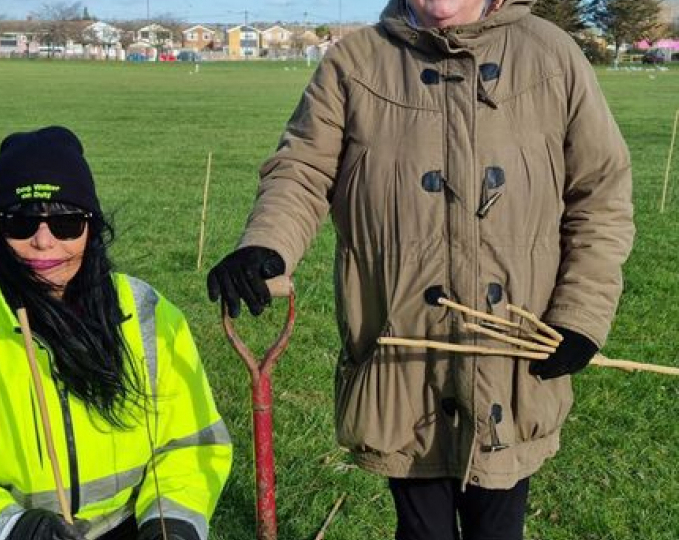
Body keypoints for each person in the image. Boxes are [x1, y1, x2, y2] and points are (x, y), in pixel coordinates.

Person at [206, 1, 634, 539]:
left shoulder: (551, 55)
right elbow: (302, 171)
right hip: (401, 359)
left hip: (513, 361)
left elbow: (601, 194)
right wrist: (265, 245)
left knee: (498, 528)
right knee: (421, 529)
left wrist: (581, 313)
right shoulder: (355, 61)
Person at [0, 126, 232, 540]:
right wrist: (14, 529)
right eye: (20, 222)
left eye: (66, 222)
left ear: (91, 226)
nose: (43, 242)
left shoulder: (148, 314)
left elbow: (191, 445)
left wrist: (172, 523)